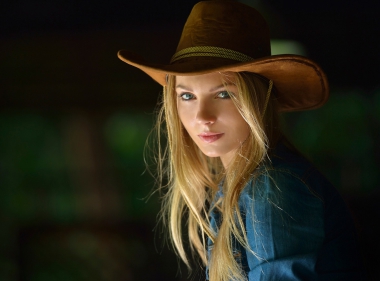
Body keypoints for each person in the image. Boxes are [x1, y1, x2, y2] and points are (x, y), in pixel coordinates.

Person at [118, 1, 366, 280]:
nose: (202, 116)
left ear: (257, 100)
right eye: (187, 96)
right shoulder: (236, 187)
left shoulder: (272, 186)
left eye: (223, 93)